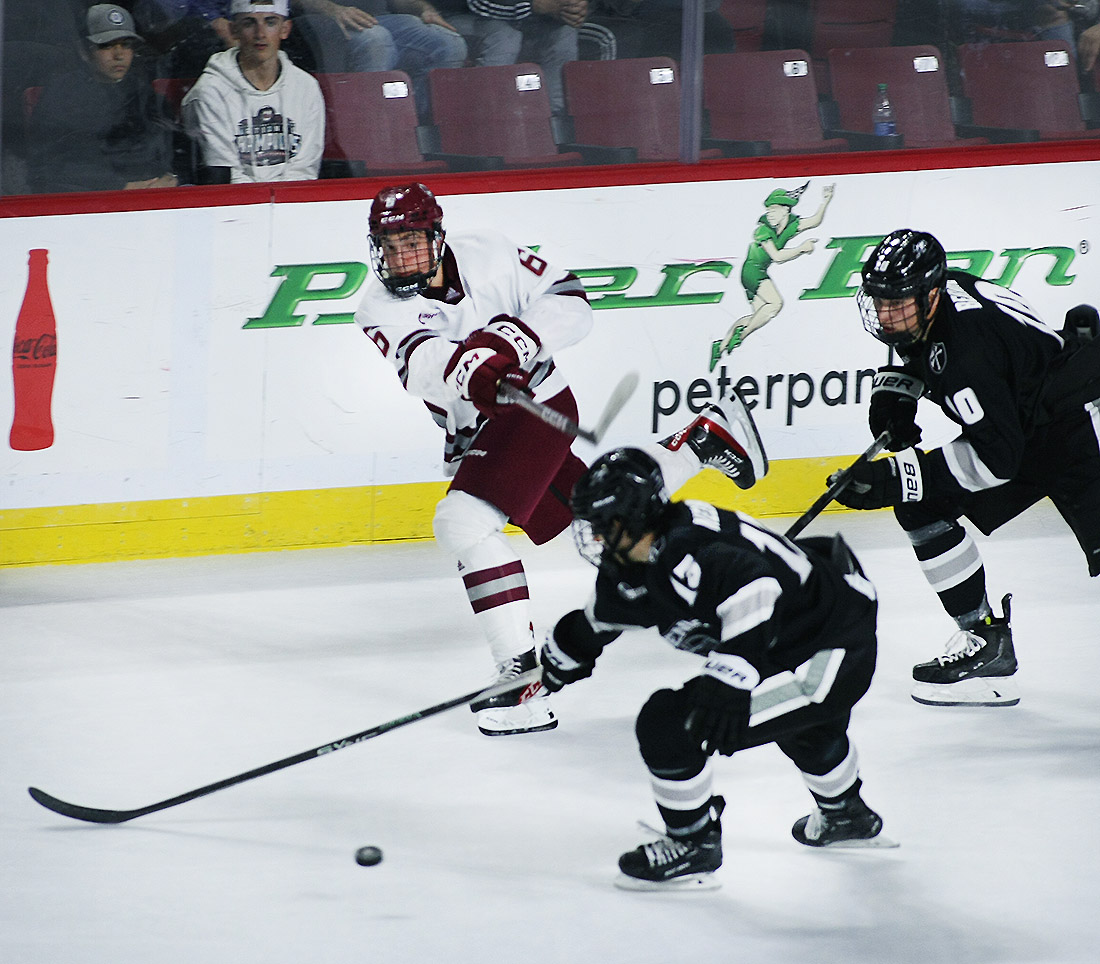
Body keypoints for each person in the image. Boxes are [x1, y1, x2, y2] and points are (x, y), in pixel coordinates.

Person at [355, 182, 768, 736]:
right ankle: (699, 442)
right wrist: (469, 368)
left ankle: (522, 681)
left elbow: (573, 303)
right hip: (480, 426)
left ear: (437, 236)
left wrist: (514, 339)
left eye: (412, 242)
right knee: (600, 520)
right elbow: (422, 367)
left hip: (537, 406)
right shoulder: (377, 307)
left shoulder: (489, 252)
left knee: (462, 522)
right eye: (390, 246)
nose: (402, 257)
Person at [539, 447, 891, 890]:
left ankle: (694, 845)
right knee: (806, 730)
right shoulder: (645, 552)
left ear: (631, 519)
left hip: (828, 654)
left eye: (602, 525)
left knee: (670, 724)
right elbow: (614, 610)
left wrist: (731, 677)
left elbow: (756, 584)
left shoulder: (690, 549)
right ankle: (846, 816)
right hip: (808, 628)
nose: (594, 536)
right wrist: (564, 651)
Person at [833, 228, 1100, 707]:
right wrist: (895, 395)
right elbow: (915, 353)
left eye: (898, 304)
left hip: (1082, 423)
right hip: (1034, 426)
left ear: (930, 295)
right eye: (880, 302)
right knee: (922, 509)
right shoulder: (935, 306)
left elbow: (997, 461)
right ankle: (987, 648)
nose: (887, 316)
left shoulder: (967, 351)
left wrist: (897, 478)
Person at [27, 4, 180, 194]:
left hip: (152, 196)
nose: (119, 55)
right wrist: (120, 187)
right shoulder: (63, 94)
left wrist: (171, 177)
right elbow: (52, 164)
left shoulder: (142, 91)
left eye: (126, 45)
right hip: (90, 201)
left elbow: (172, 147)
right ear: (84, 52)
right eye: (106, 45)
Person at [181, 0, 324, 182]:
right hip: (236, 204)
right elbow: (225, 174)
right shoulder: (210, 90)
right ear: (234, 30)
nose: (260, 34)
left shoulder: (306, 87)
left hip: (292, 203)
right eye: (249, 23)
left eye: (270, 22)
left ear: (285, 29)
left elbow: (305, 169)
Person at [709, 182, 835, 372]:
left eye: (774, 209)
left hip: (758, 271)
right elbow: (777, 257)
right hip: (752, 272)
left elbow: (814, 221)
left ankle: (720, 345)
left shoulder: (792, 224)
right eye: (768, 210)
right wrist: (801, 248)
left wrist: (825, 201)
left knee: (759, 315)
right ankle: (740, 337)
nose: (770, 213)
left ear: (786, 210)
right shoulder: (763, 230)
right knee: (775, 304)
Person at [290, 1, 466, 116]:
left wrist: (424, 9)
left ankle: (413, 126)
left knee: (449, 43)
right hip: (318, 18)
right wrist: (332, 9)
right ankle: (373, 129)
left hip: (379, 20)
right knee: (376, 39)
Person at [431, 0, 586, 115]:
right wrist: (531, 6)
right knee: (504, 37)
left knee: (564, 35)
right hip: (456, 15)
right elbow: (479, 5)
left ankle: (552, 120)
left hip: (523, 18)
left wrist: (573, 7)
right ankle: (489, 117)